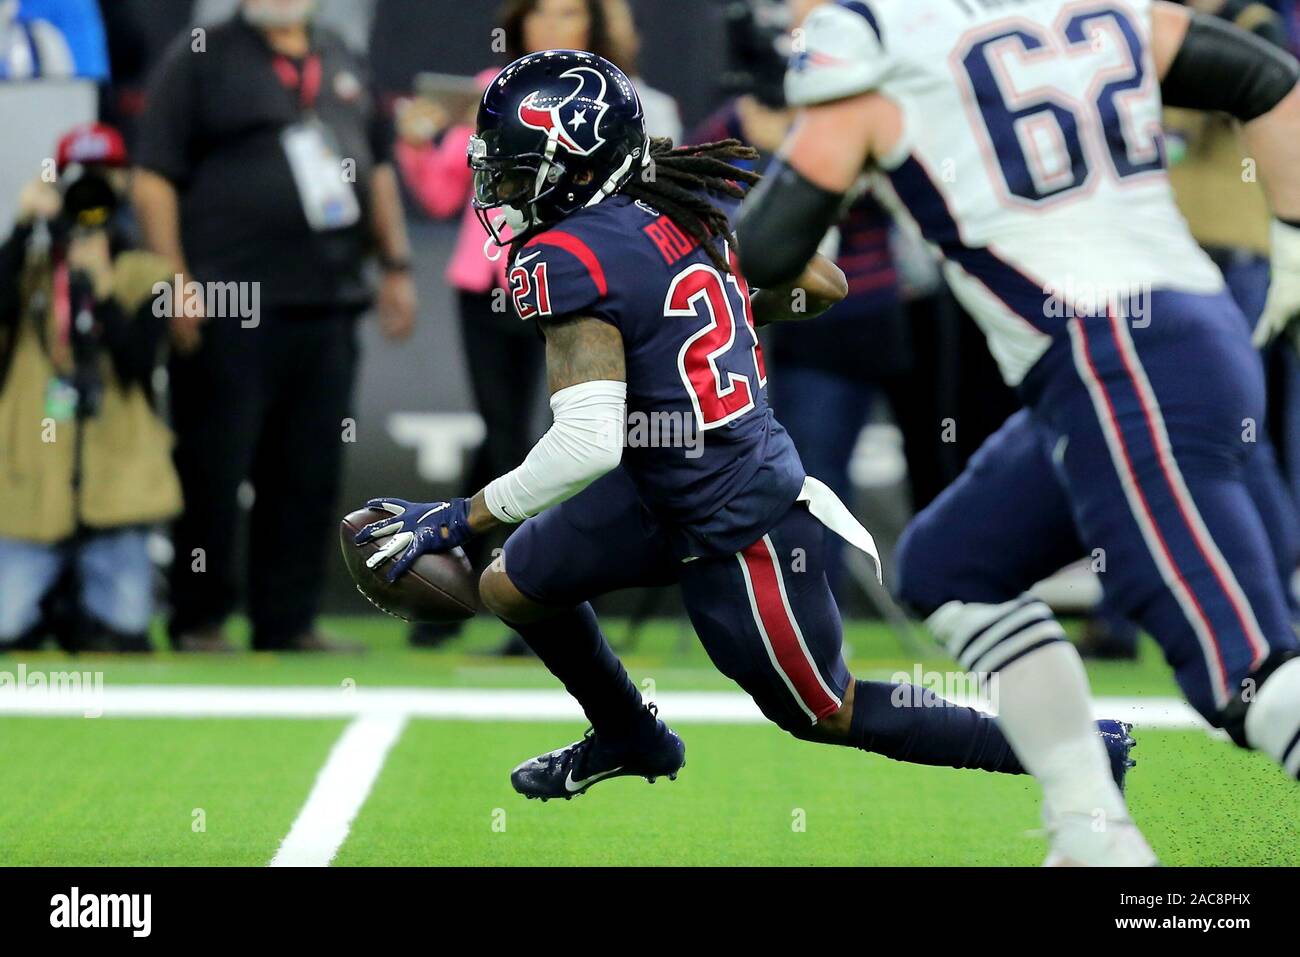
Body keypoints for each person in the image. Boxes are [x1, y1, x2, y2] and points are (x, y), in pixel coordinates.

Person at [357, 51, 1137, 813]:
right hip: (660, 479)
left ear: (581, 168)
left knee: (823, 710)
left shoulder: (566, 253)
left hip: (733, 511)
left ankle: (1075, 748)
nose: (500, 190)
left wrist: (458, 516)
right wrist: (708, 311)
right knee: (513, 585)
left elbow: (586, 443)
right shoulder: (676, 202)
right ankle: (631, 734)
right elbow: (823, 283)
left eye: (518, 171)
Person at [737, 0, 1300, 863]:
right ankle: (1093, 834)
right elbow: (1264, 74)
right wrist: (1292, 241)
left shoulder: (873, 37)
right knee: (955, 567)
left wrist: (676, 248)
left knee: (1249, 675)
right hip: (1172, 339)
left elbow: (775, 241)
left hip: (1115, 356)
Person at [132, 0, 417, 653]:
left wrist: (396, 264)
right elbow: (153, 176)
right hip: (230, 299)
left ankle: (286, 619)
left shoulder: (341, 56)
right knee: (214, 462)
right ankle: (198, 616)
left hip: (328, 298)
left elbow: (375, 168)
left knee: (308, 468)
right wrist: (174, 278)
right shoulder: (202, 55)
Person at [394, 0, 614, 649]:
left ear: (589, 26)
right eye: (541, 13)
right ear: (520, 23)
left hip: (569, 284)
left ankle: (546, 596)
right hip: (489, 285)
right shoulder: (491, 89)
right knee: (502, 435)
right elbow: (440, 193)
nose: (552, 26)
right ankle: (450, 586)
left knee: (571, 441)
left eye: (568, 13)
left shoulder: (604, 97)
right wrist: (415, 145)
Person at [0, 122, 179, 652]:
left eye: (104, 178)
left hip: (115, 479)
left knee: (123, 635)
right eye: (80, 179)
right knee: (7, 631)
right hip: (34, 480)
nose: (91, 193)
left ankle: (79, 606)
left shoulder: (146, 273)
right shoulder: (30, 267)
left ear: (123, 183)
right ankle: (50, 604)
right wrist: (22, 226)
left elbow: (136, 363)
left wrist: (102, 292)